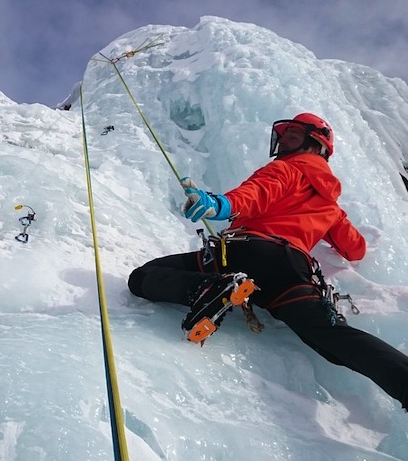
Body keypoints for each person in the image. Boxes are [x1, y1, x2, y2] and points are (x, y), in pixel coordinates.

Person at [128, 112, 408, 409]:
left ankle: (210, 287)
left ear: (316, 145)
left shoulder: (287, 169)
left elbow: (257, 193)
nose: (285, 141)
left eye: (294, 136)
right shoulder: (330, 205)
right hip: (290, 272)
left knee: (143, 276)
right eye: (284, 137)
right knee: (332, 337)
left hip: (245, 251)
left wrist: (219, 205)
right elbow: (356, 249)